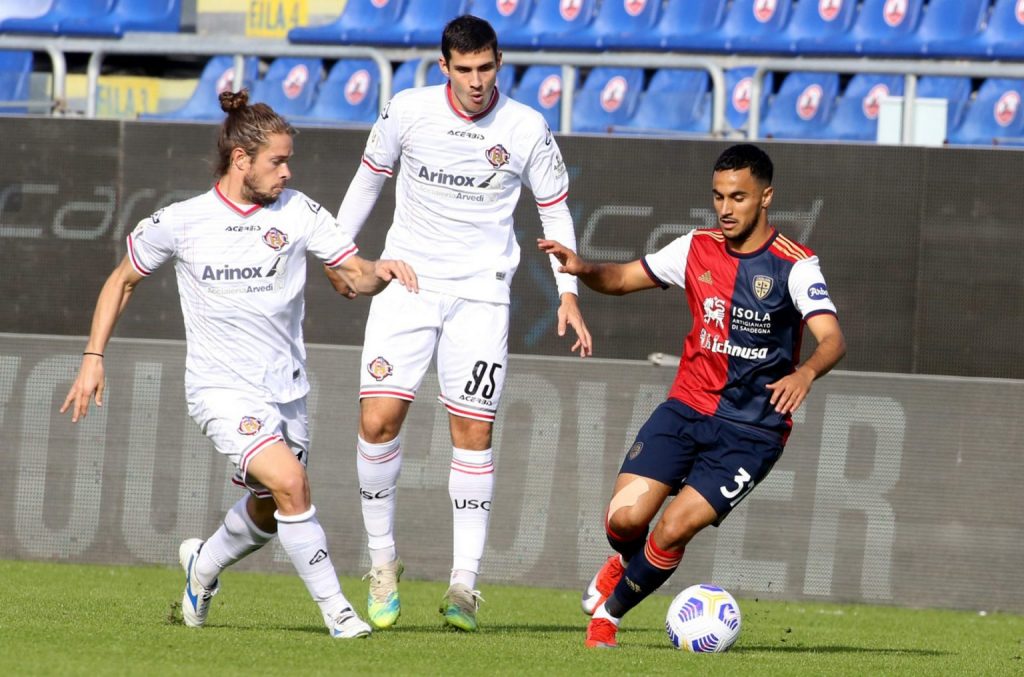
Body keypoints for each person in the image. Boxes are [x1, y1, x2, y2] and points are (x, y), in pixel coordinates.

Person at [60, 90, 418, 639]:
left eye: (288, 160)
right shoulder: (183, 220)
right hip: (220, 390)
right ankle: (339, 613)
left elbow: (354, 275)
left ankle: (202, 567)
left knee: (271, 509)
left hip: (287, 390)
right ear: (241, 159)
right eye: (277, 160)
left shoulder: (298, 211)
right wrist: (92, 356)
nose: (287, 171)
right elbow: (122, 280)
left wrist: (381, 271)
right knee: (291, 483)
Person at [333, 14, 592, 632]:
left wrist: (569, 292)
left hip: (481, 296)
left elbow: (555, 213)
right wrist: (340, 255)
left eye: (486, 68)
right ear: (444, 67)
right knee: (377, 420)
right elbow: (367, 183)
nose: (477, 82)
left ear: (500, 64)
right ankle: (382, 563)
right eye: (465, 70)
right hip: (407, 285)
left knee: (473, 433)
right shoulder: (407, 111)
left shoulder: (526, 127)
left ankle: (464, 585)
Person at [539, 143, 847, 649]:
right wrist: (584, 268)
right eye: (718, 196)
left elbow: (832, 338)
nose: (725, 208)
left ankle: (608, 618)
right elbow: (623, 279)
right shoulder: (695, 247)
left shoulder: (795, 265)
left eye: (738, 197)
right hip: (686, 409)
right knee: (625, 520)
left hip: (752, 431)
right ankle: (623, 560)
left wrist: (806, 373)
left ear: (766, 197)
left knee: (673, 529)